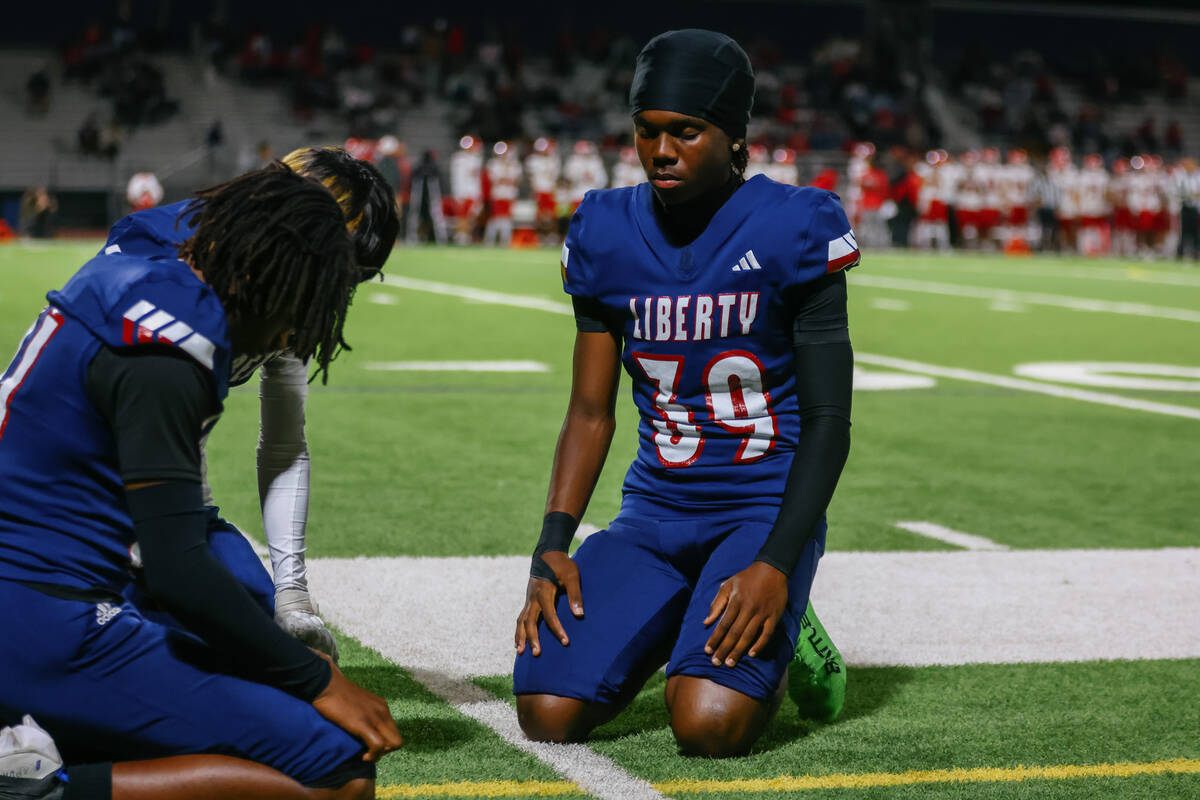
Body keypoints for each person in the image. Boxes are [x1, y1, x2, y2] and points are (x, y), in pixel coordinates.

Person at [0, 166, 402, 800]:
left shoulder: (161, 273)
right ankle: (39, 792)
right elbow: (176, 566)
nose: (296, 337)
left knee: (248, 625)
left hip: (37, 582)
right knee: (340, 766)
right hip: (46, 615)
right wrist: (316, 682)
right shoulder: (168, 340)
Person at [512, 29, 852, 758]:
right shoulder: (605, 230)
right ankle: (683, 602)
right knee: (546, 712)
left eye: (685, 132)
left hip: (762, 508)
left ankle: (794, 624)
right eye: (646, 132)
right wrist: (551, 544)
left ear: (734, 138)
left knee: (706, 723)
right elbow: (590, 411)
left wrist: (776, 562)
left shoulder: (794, 224)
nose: (661, 150)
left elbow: (828, 421)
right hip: (656, 511)